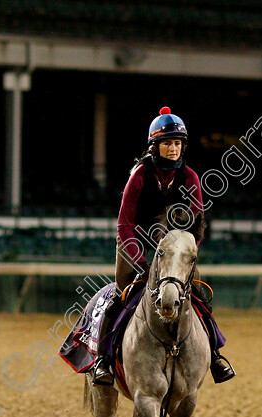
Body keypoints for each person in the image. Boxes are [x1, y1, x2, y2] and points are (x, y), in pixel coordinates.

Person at [91, 106, 235, 386]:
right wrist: (140, 262)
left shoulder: (191, 177)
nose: (173, 148)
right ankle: (103, 361)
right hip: (135, 243)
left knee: (198, 297)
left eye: (178, 143)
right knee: (120, 298)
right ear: (155, 146)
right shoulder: (140, 176)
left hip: (173, 248)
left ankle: (215, 355)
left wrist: (186, 251)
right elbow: (124, 225)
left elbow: (197, 224)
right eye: (168, 143)